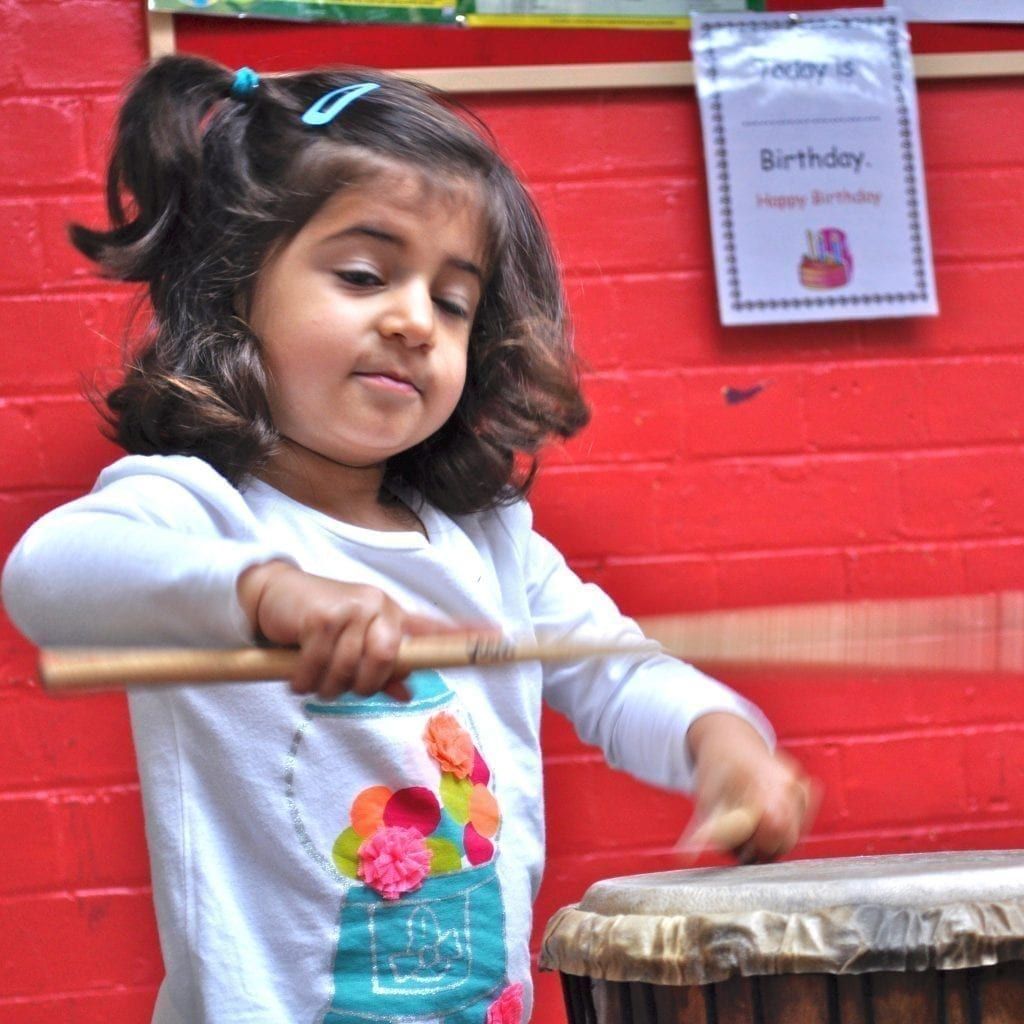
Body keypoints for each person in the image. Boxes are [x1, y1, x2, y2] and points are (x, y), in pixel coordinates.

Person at [2, 55, 812, 1024]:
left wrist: (719, 741)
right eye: (362, 273)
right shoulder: (200, 515)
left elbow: (621, 674)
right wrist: (264, 592)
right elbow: (47, 575)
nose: (413, 320)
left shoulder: (490, 548)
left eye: (452, 300)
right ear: (235, 292)